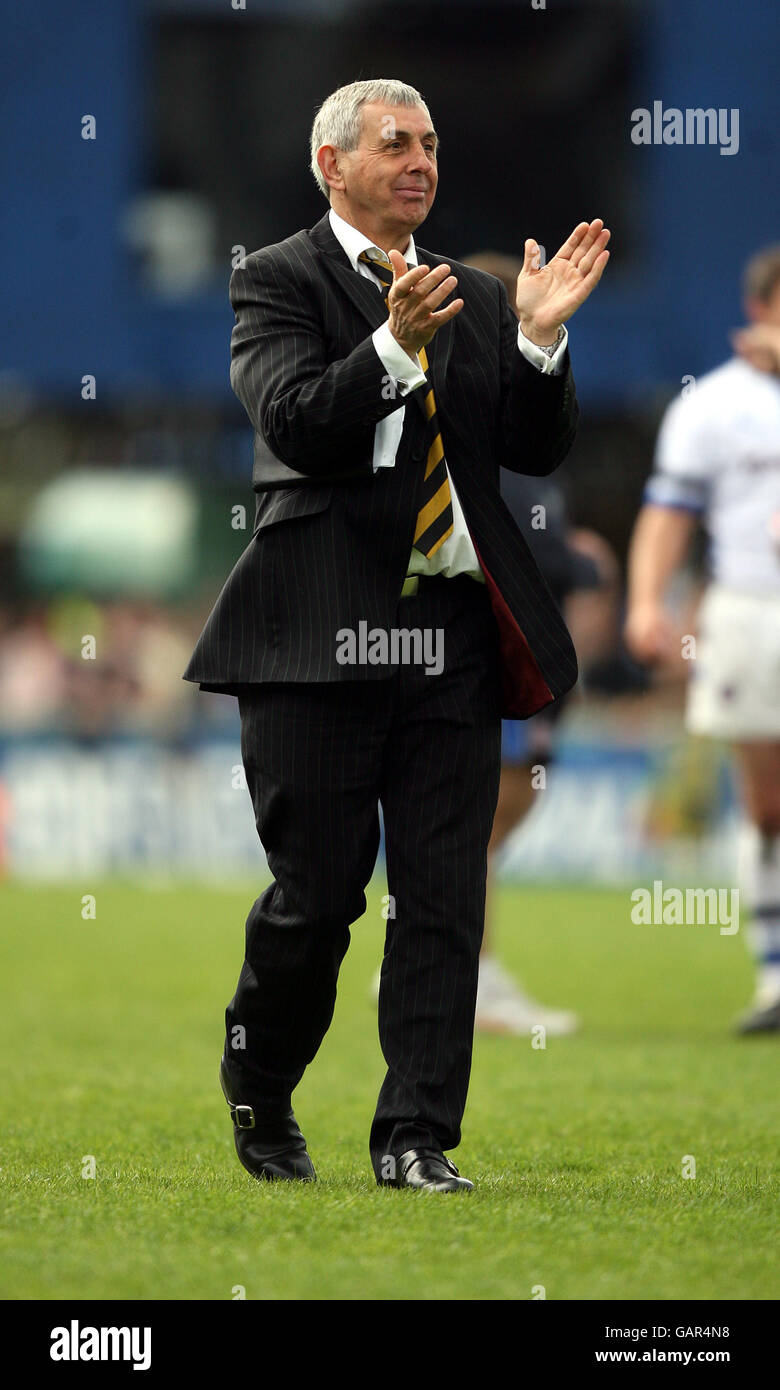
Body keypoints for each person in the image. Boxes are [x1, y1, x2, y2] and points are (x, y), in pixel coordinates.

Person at [184, 78, 610, 1191]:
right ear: (332, 164)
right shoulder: (273, 279)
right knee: (315, 901)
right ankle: (262, 1089)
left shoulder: (471, 290)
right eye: (394, 144)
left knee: (442, 899)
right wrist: (388, 347)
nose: (420, 161)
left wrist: (537, 344)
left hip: (449, 640)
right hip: (314, 641)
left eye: (429, 144)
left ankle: (415, 1137)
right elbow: (292, 423)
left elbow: (526, 443)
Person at [462, 252, 619, 1036]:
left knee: (493, 824)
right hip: (502, 661)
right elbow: (517, 545)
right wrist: (580, 561)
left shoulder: (526, 418)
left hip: (529, 662)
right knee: (483, 824)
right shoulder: (480, 424)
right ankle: (473, 974)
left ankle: (453, 961)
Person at [625, 245, 780, 1034]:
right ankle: (773, 975)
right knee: (767, 800)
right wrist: (647, 598)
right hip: (751, 609)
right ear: (761, 309)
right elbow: (669, 512)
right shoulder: (713, 405)